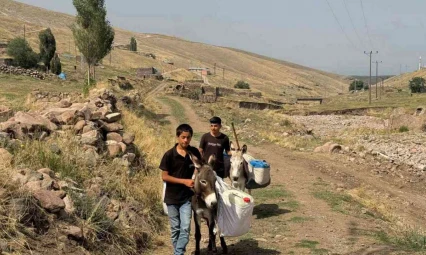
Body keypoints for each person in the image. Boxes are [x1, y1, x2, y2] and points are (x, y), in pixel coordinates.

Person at [159, 124, 201, 255]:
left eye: (188, 138)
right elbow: (164, 176)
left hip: (186, 198)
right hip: (171, 197)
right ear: (177, 137)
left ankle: (178, 253)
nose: (185, 140)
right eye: (183, 137)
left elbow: (200, 167)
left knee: (185, 228)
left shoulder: (194, 152)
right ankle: (178, 252)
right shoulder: (169, 155)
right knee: (175, 229)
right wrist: (184, 181)